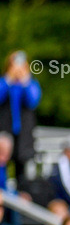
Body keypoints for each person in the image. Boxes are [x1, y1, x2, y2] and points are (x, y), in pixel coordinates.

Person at [0, 51, 42, 189]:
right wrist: (8, 79)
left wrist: (25, 80)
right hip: (4, 134)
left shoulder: (30, 84)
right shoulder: (4, 82)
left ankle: (20, 204)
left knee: (22, 172)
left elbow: (33, 101)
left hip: (24, 136)